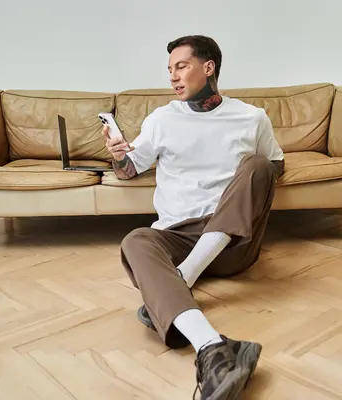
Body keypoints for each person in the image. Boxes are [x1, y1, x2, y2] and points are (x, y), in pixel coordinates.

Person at [101, 35, 285, 400]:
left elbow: (274, 166)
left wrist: (240, 188)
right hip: (177, 239)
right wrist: (118, 154)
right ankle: (213, 347)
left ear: (209, 67)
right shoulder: (162, 118)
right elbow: (128, 170)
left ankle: (181, 281)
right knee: (135, 240)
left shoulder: (251, 117)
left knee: (259, 164)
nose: (173, 76)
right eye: (170, 70)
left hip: (233, 244)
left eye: (181, 66)